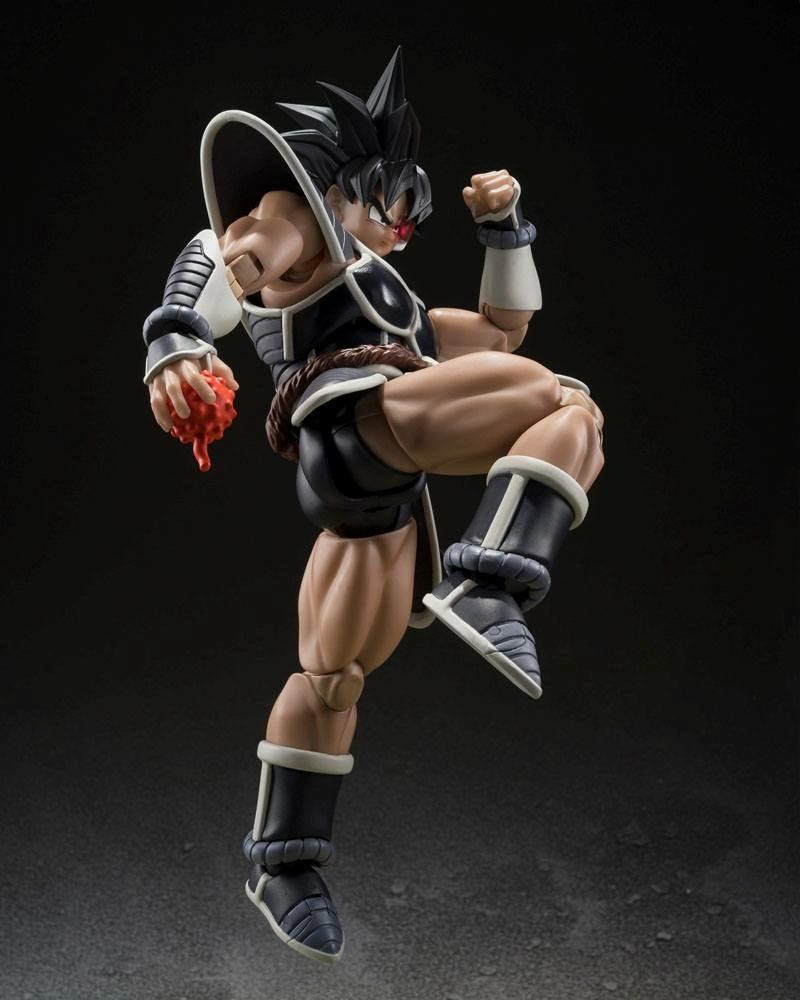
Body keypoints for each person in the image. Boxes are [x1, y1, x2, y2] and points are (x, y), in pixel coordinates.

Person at [142, 47, 604, 964]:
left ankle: (282, 863)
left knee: (333, 675)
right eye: (393, 201)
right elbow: (233, 253)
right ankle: (492, 581)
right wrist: (176, 339)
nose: (403, 226)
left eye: (415, 213)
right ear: (346, 186)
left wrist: (506, 231)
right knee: (562, 401)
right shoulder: (301, 225)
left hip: (370, 490)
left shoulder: (385, 295)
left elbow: (501, 332)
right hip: (356, 420)